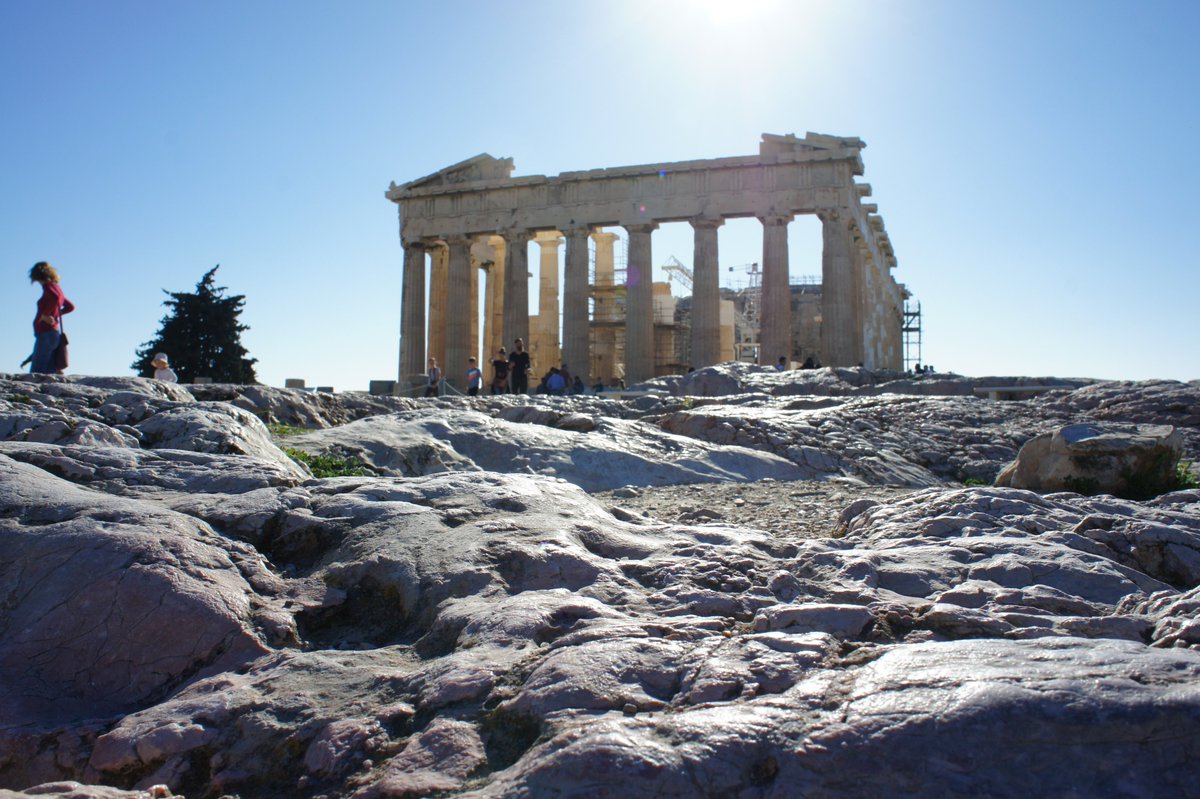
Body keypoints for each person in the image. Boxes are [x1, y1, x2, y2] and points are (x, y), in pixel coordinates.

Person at [28, 261, 74, 375]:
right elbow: (70, 307)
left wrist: (46, 315)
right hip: (52, 333)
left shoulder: (49, 287)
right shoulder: (57, 288)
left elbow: (55, 297)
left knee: (37, 372)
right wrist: (55, 315)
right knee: (49, 372)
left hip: (46, 333)